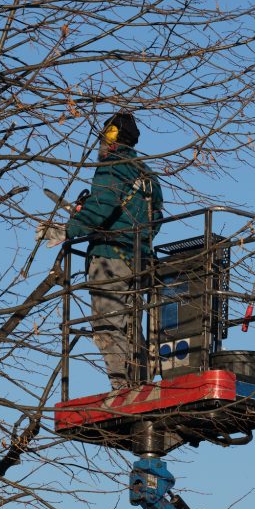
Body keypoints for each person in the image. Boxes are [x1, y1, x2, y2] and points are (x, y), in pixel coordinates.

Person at [44, 112, 163, 392]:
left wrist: (67, 230)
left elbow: (102, 206)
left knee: (108, 325)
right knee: (132, 325)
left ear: (110, 136)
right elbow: (155, 219)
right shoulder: (148, 175)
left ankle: (122, 388)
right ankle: (140, 383)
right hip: (140, 261)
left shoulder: (112, 166)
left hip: (110, 258)